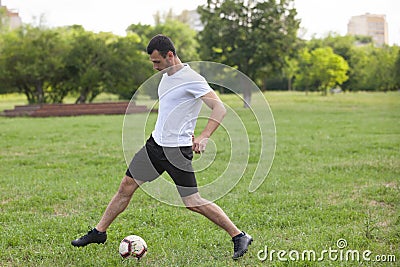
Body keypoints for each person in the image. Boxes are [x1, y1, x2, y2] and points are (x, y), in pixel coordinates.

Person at [71, 34, 252, 260]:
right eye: (152, 62)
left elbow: (219, 108)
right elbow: (175, 109)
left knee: (193, 202)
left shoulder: (192, 79)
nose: (154, 67)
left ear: (170, 55)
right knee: (126, 186)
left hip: (177, 152)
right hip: (155, 146)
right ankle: (99, 232)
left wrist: (205, 136)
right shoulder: (166, 77)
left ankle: (238, 235)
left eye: (157, 61)